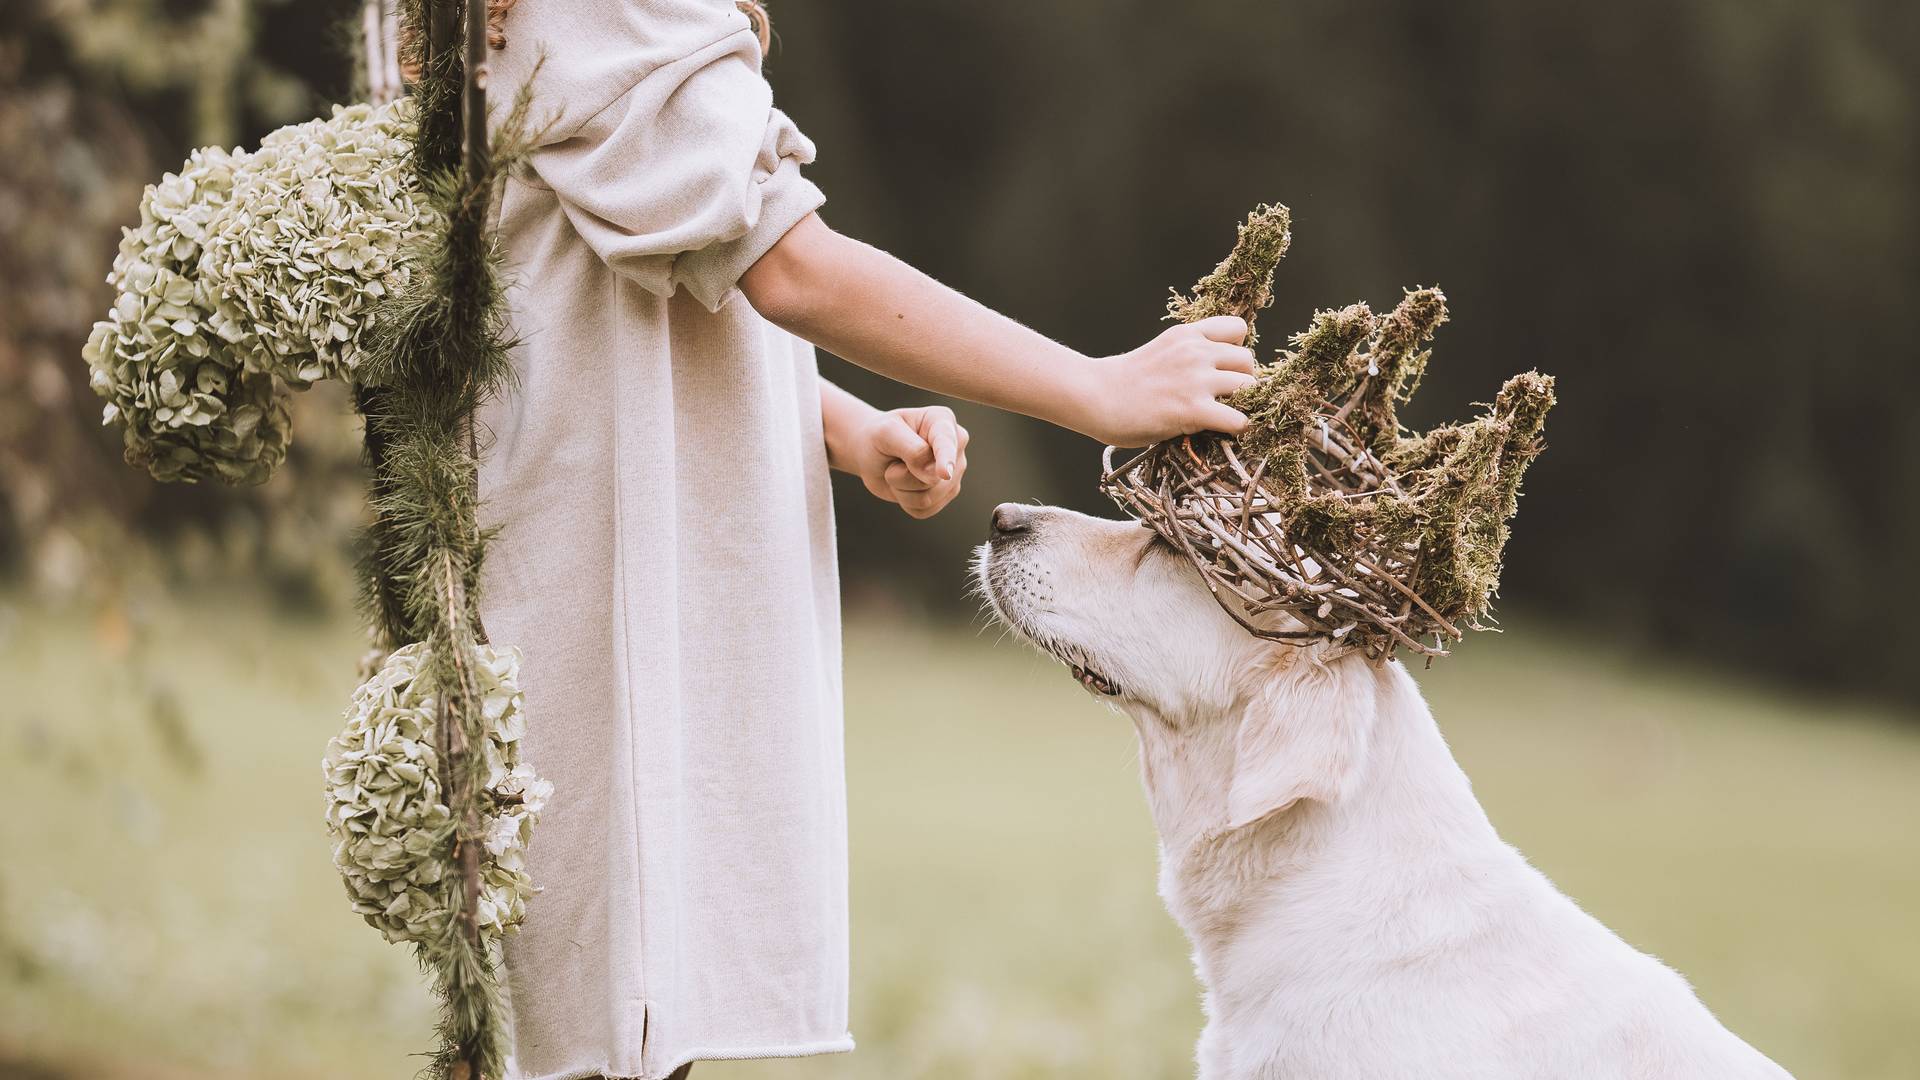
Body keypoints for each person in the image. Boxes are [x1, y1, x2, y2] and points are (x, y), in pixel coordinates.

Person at [470, 2, 1256, 1078]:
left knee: (610, 1022)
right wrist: (1099, 386)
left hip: (595, 559)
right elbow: (786, 266)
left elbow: (628, 273)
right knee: (605, 1023)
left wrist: (844, 427)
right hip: (607, 588)